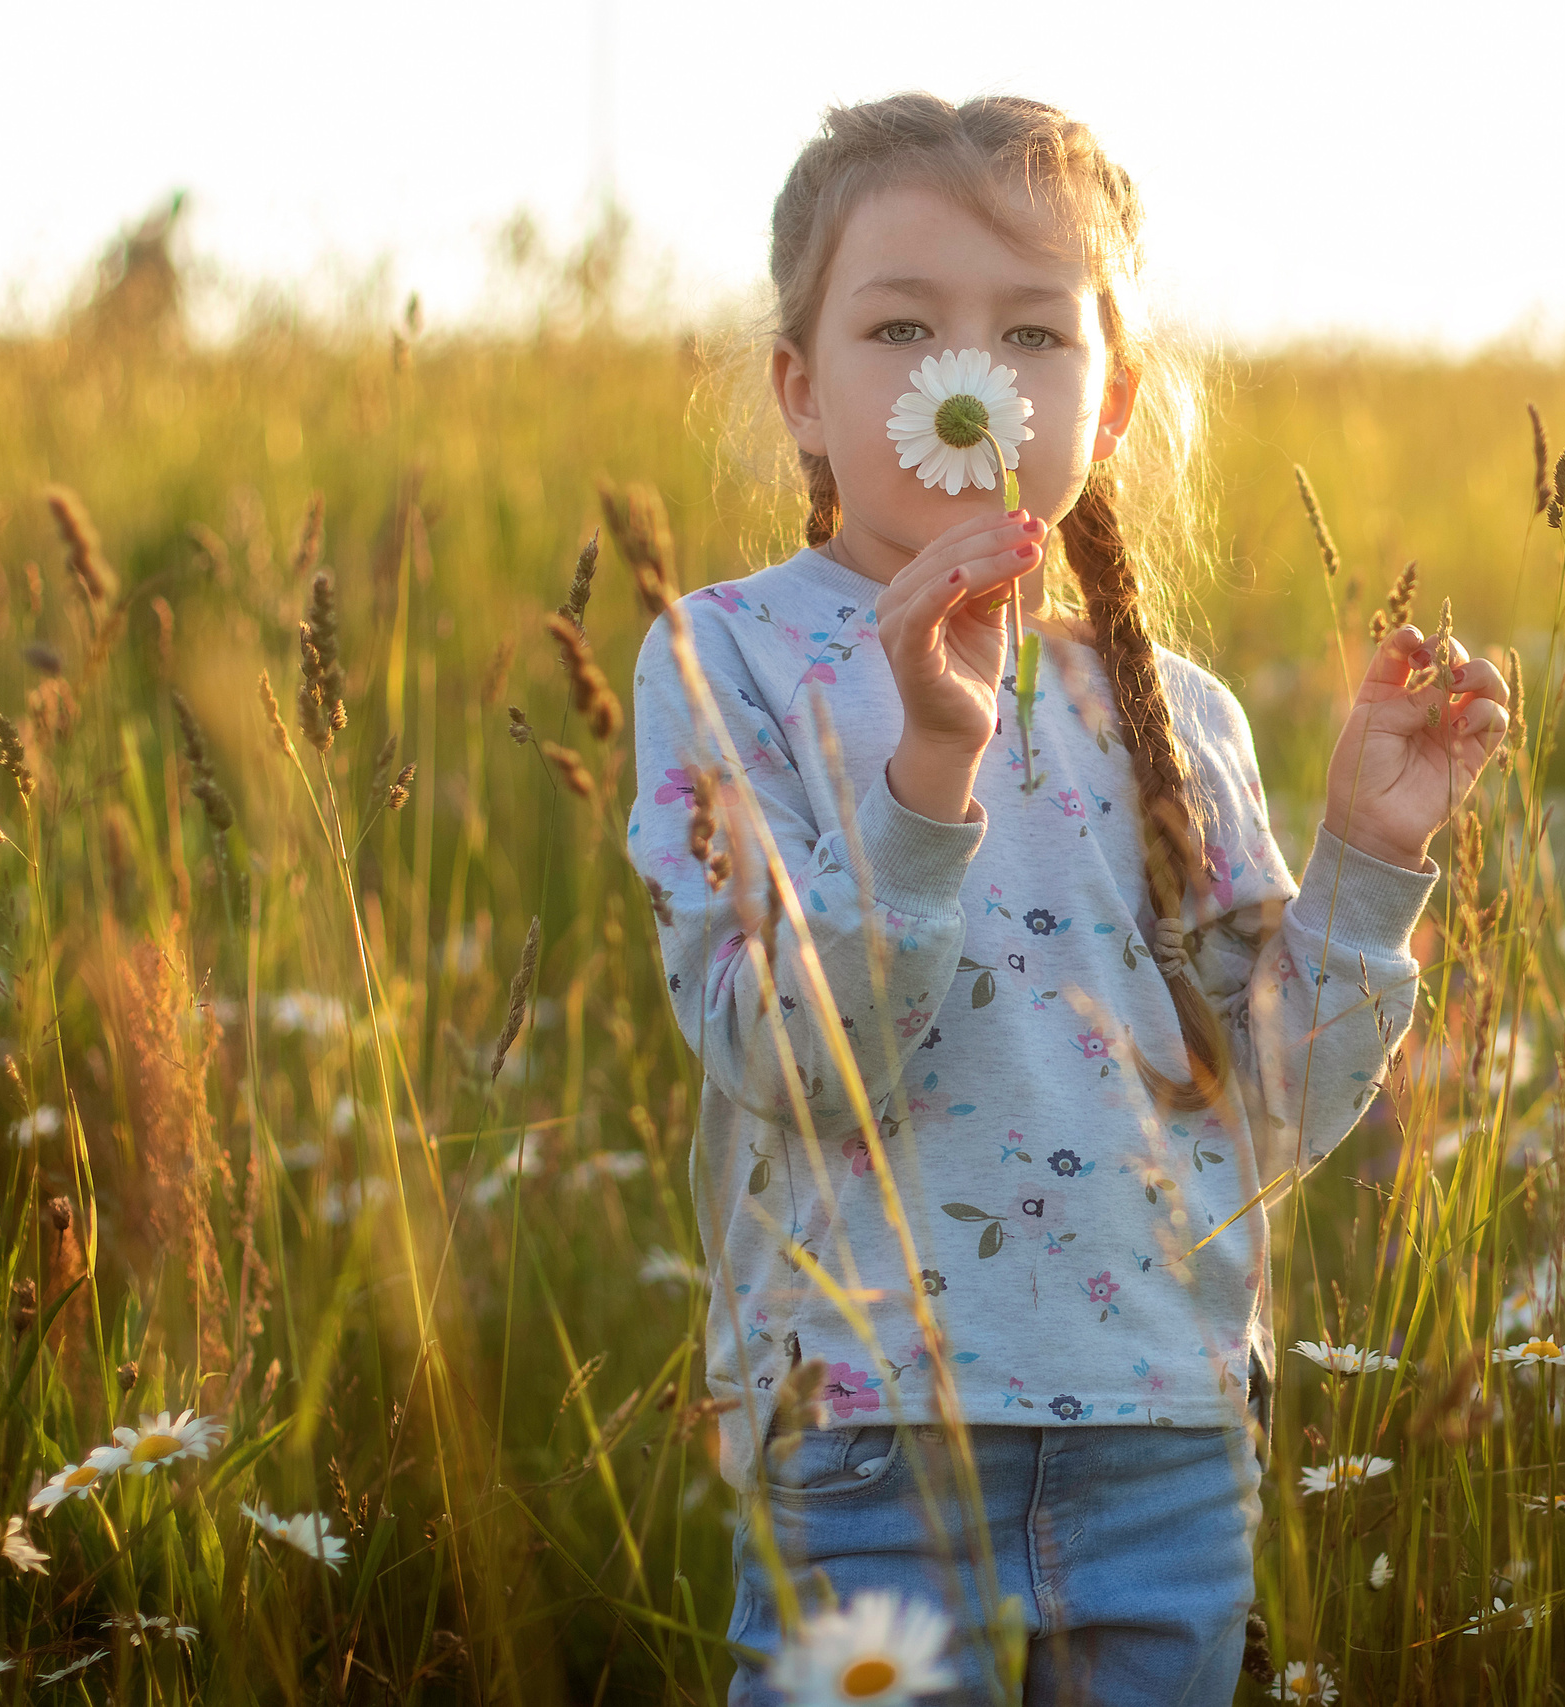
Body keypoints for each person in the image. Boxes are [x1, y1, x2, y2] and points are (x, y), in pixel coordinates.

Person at [627, 90, 1510, 1706]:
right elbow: (785, 1063)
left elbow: (1268, 1120)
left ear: (1107, 409)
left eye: (1036, 335)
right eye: (901, 325)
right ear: (800, 391)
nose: (969, 384)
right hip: (873, 1423)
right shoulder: (730, 660)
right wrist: (926, 788)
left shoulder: (1172, 715)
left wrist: (1371, 862)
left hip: (1163, 1429)